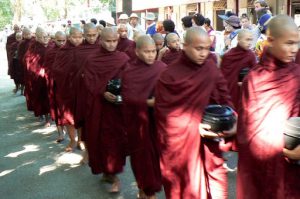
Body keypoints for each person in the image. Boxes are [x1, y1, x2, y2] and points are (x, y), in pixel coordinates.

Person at [155, 27, 235, 199]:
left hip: (210, 138)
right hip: (181, 143)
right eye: (198, 48)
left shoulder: (211, 69)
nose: (203, 53)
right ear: (185, 46)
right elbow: (164, 115)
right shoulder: (169, 75)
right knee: (185, 186)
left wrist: (232, 120)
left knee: (217, 184)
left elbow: (224, 97)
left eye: (207, 48)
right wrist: (194, 127)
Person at [237, 15, 300, 199]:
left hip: (294, 163)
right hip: (263, 164)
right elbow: (247, 130)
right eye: (288, 43)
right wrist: (283, 148)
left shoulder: (297, 74)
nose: (294, 50)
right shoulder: (254, 79)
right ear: (270, 41)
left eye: (297, 43)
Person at [82, 27, 129, 193]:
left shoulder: (123, 58)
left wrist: (120, 94)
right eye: (108, 41)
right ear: (100, 41)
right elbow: (88, 82)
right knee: (99, 140)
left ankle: (114, 175)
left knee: (114, 142)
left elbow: (129, 79)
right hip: (98, 107)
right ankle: (107, 172)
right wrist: (102, 91)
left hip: (116, 109)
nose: (111, 44)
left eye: (114, 41)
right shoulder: (92, 59)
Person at [122, 35, 166, 199]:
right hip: (138, 123)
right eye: (146, 52)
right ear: (137, 51)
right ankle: (145, 190)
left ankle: (147, 189)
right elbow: (127, 97)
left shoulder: (161, 67)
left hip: (157, 123)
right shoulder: (129, 71)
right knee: (141, 159)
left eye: (153, 51)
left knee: (156, 158)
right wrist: (149, 103)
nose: (150, 55)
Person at [52, 27, 84, 152]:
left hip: (81, 88)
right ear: (69, 37)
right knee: (68, 116)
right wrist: (70, 73)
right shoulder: (63, 51)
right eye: (75, 37)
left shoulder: (85, 50)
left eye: (80, 37)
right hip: (66, 88)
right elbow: (56, 69)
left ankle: (81, 140)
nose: (78, 40)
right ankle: (72, 139)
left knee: (81, 116)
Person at [220, 29, 256, 110]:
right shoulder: (228, 56)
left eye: (251, 40)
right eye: (247, 39)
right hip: (230, 93)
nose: (249, 42)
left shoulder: (251, 56)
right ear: (239, 39)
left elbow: (255, 75)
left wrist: (246, 81)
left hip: (243, 93)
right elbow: (222, 78)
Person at [24, 27, 51, 125]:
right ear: (37, 37)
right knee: (41, 96)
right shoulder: (33, 48)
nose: (45, 38)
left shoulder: (50, 45)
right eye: (42, 37)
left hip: (49, 75)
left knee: (49, 97)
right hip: (37, 77)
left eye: (46, 36)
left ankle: (49, 115)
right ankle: (44, 115)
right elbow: (28, 61)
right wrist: (38, 71)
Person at [44, 31, 67, 142]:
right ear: (54, 40)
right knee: (57, 108)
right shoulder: (50, 52)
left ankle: (70, 132)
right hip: (55, 84)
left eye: (64, 40)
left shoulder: (69, 51)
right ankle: (60, 133)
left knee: (67, 110)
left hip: (67, 85)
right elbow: (47, 69)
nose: (62, 43)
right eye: (59, 40)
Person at [17, 27, 32, 96]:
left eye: (29, 34)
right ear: (23, 35)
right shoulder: (21, 43)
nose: (28, 35)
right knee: (23, 78)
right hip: (23, 64)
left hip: (31, 64)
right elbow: (19, 55)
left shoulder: (34, 41)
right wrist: (24, 61)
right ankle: (22, 90)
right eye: (26, 34)